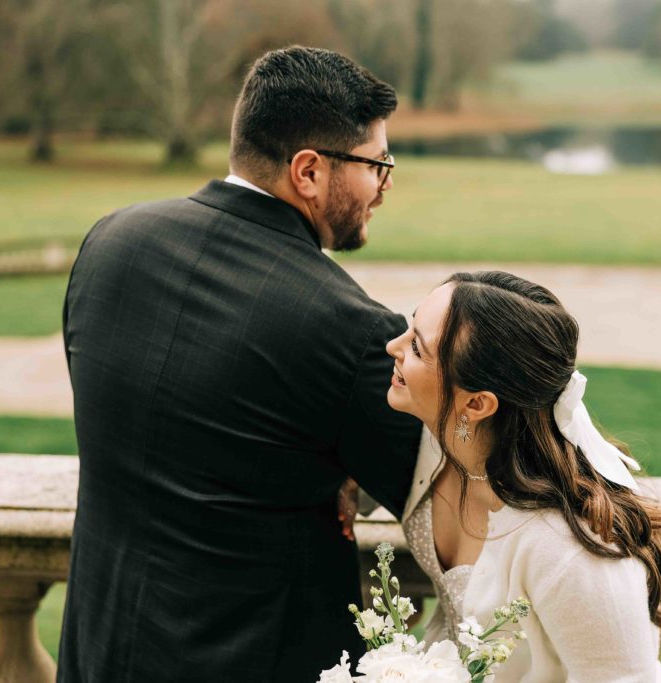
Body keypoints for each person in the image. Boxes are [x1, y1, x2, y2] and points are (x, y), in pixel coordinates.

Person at [59, 47, 420, 682]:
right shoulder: (354, 329)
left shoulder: (110, 241)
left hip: (100, 653)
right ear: (308, 171)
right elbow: (441, 492)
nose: (384, 186)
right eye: (376, 165)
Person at [386, 271, 661, 682]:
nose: (392, 347)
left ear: (477, 404)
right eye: (409, 326)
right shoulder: (436, 440)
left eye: (416, 347)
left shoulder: (570, 548)